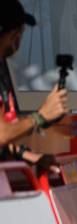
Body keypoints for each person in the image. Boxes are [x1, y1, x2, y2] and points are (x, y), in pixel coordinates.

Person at [0, 0, 68, 172]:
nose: (20, 39)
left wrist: (31, 157)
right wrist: (40, 116)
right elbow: (2, 134)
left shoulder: (3, 68)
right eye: (20, 32)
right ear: (12, 34)